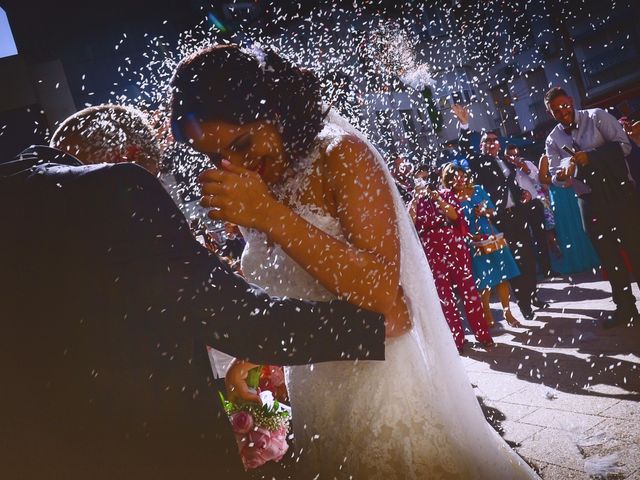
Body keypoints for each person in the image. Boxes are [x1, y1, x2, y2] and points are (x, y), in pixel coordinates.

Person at [170, 44, 538, 479]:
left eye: (243, 142)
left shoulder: (340, 156)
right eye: (217, 157)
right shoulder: (259, 183)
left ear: (272, 108)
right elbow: (298, 294)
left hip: (383, 398)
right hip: (317, 398)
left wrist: (270, 215)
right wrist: (261, 353)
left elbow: (389, 303)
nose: (237, 164)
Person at [0, 105, 389, 479]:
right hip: (142, 456)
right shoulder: (116, 185)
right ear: (132, 158)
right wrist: (376, 322)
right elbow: (235, 316)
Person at [544, 86, 640, 327]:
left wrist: (591, 156)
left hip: (619, 192)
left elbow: (625, 146)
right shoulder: (552, 139)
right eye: (556, 110)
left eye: (565, 106)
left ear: (572, 101)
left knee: (636, 246)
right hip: (589, 200)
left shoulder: (597, 116)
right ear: (550, 113)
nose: (562, 112)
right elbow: (555, 177)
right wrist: (563, 175)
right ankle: (625, 308)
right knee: (608, 255)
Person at [452, 104, 544, 320]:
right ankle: (524, 303)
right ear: (482, 146)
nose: (492, 143)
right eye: (487, 141)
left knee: (530, 256)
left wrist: (524, 193)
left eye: (494, 140)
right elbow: (465, 149)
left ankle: (532, 295)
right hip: (500, 218)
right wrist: (465, 124)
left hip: (519, 213)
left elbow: (511, 185)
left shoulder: (505, 161)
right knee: (516, 261)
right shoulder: (479, 162)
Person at [409, 164, 494, 352]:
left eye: (425, 178)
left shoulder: (445, 194)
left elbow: (454, 215)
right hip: (432, 249)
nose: (423, 182)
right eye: (419, 179)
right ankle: (458, 339)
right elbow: (410, 223)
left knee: (469, 291)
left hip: (453, 245)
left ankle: (483, 334)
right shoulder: (414, 201)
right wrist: (415, 198)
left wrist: (437, 197)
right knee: (445, 297)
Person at [448, 162, 523, 328]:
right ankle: (487, 312)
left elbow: (492, 211)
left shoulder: (478, 189)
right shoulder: (450, 198)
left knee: (503, 276)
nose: (460, 179)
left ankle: (507, 311)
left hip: (489, 235)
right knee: (484, 280)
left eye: (462, 175)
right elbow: (452, 222)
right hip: (471, 240)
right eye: (455, 177)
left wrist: (483, 211)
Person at [538, 153, 600, 274]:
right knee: (566, 226)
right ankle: (573, 259)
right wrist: (558, 181)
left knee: (580, 222)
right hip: (559, 195)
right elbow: (542, 178)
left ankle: (587, 256)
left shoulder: (570, 155)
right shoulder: (545, 158)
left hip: (573, 192)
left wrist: (572, 180)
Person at [504, 144, 553, 278]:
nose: (513, 158)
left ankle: (547, 270)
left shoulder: (528, 164)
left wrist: (525, 169)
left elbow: (539, 180)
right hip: (517, 207)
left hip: (533, 203)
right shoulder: (504, 168)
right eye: (510, 155)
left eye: (515, 155)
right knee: (525, 240)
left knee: (541, 237)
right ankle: (532, 272)